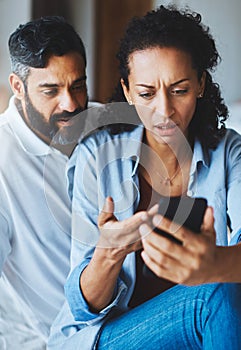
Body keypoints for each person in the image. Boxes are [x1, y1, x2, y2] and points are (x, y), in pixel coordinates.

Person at [48, 5, 241, 350]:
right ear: (127, 91)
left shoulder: (229, 154)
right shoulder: (97, 157)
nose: (164, 111)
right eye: (147, 94)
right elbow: (83, 307)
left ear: (200, 83)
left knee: (221, 285)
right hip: (112, 335)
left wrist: (218, 263)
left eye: (179, 90)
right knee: (213, 291)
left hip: (205, 330)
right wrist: (111, 252)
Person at [0, 16, 89, 349]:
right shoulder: (3, 161)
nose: (71, 104)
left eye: (78, 85)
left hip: (134, 310)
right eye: (51, 90)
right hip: (70, 337)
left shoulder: (99, 121)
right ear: (18, 86)